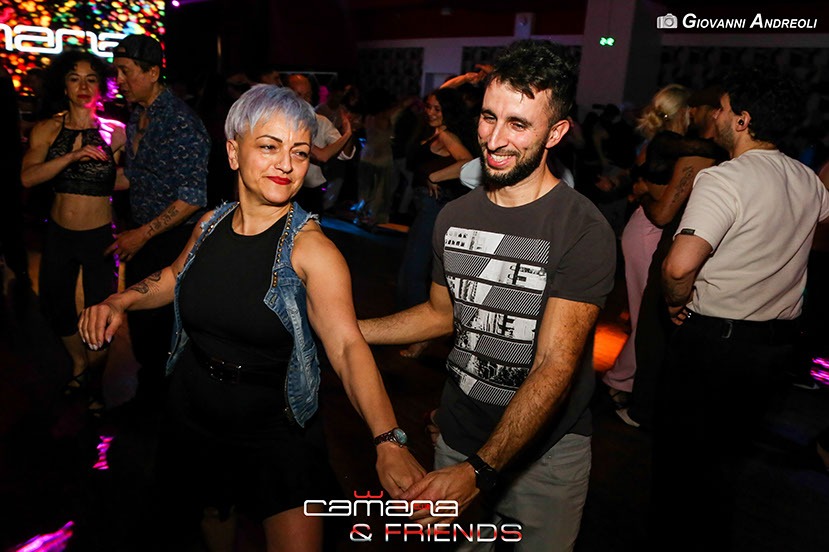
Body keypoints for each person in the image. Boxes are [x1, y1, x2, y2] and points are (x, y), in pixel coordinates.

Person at [78, 85, 425, 551]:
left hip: (275, 427)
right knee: (212, 516)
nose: (287, 165)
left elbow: (346, 347)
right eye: (269, 146)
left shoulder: (312, 251)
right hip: (195, 409)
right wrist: (119, 301)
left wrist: (388, 440)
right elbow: (174, 277)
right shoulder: (210, 224)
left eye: (299, 152)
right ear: (233, 152)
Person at [360, 40, 616, 550]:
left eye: (518, 124)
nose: (495, 140)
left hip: (546, 458)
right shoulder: (455, 216)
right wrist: (349, 330)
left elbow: (554, 365)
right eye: (488, 117)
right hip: (459, 437)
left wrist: (481, 470)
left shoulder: (582, 229)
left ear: (555, 132)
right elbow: (441, 314)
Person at [654, 68, 829, 550]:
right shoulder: (808, 180)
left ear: (743, 120)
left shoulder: (723, 179)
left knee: (680, 464)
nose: (716, 115)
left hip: (715, 343)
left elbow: (678, 266)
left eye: (724, 108)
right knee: (727, 461)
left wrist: (675, 301)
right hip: (773, 349)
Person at [20, 51, 126, 416]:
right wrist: (70, 157)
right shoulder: (47, 129)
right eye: (74, 78)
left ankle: (94, 382)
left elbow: (125, 179)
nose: (83, 86)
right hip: (59, 235)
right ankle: (79, 365)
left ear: (102, 87)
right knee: (54, 305)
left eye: (91, 79)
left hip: (100, 237)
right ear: (63, 86)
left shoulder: (115, 131)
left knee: (100, 312)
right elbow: (27, 177)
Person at [107, 34, 210, 410]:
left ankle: (163, 409)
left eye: (126, 71)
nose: (118, 80)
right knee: (142, 325)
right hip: (142, 236)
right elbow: (136, 177)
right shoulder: (138, 114)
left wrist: (143, 234)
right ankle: (149, 396)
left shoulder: (181, 124)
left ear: (152, 73)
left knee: (162, 327)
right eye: (117, 71)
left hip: (171, 241)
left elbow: (192, 197)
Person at [602, 84, 691, 409]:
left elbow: (638, 179)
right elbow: (653, 189)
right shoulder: (667, 147)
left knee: (647, 315)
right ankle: (620, 381)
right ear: (683, 112)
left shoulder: (665, 144)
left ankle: (626, 380)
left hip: (647, 229)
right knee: (647, 317)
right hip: (647, 231)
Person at [395, 87, 474, 359]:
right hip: (425, 207)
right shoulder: (433, 132)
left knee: (412, 273)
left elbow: (469, 163)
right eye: (428, 106)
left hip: (434, 208)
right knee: (420, 272)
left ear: (448, 112)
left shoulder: (446, 134)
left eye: (437, 109)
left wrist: (436, 176)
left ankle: (422, 336)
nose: (430, 112)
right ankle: (426, 330)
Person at [286, 73, 355, 214]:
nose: (303, 100)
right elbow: (321, 156)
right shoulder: (279, 122)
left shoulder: (320, 121)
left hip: (311, 192)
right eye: (297, 95)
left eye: (307, 95)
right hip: (284, 188)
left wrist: (349, 131)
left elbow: (345, 154)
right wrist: (347, 134)